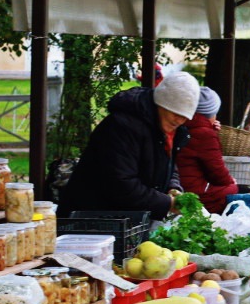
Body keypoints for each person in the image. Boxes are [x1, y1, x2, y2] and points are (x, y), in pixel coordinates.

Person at [59, 69, 199, 221]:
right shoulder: (121, 127)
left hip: (125, 220)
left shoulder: (169, 130)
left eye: (184, 117)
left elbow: (169, 166)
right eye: (175, 113)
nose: (179, 120)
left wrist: (173, 188)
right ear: (160, 103)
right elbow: (120, 184)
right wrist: (167, 203)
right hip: (90, 220)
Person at [175, 87, 240, 213]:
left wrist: (211, 130)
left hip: (178, 185)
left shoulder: (182, 124)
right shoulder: (205, 134)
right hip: (195, 193)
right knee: (233, 189)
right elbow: (217, 174)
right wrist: (231, 181)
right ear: (211, 113)